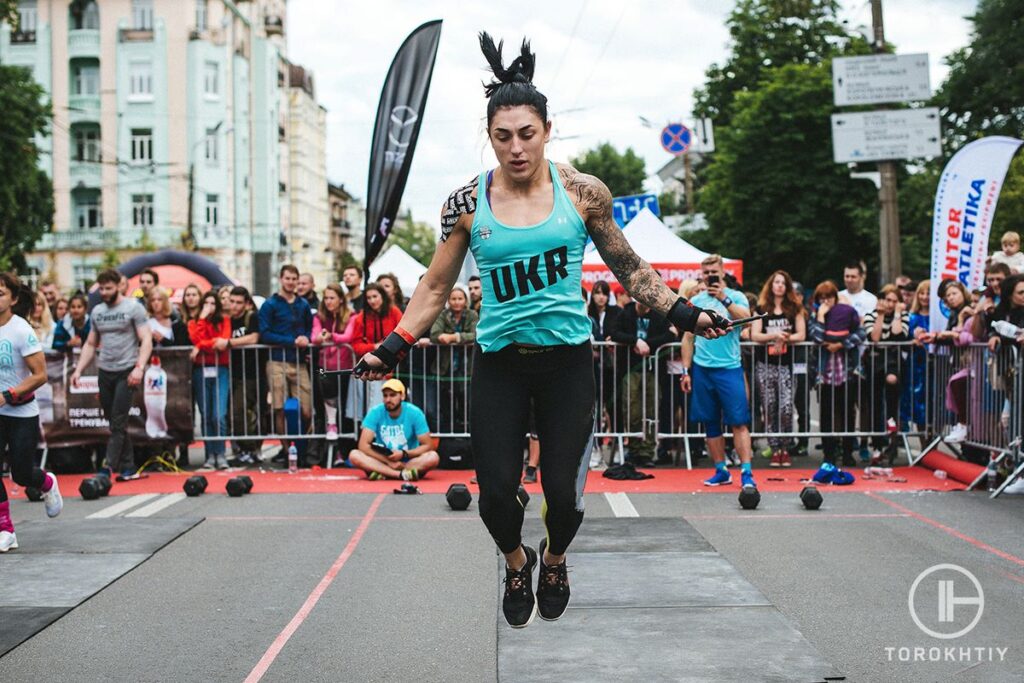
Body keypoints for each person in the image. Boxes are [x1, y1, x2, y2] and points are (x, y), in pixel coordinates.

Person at [351, 33, 725, 629]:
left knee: (567, 499)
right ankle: (516, 559)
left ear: (547, 129)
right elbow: (433, 287)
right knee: (496, 496)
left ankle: (554, 558)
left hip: (567, 364)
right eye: (503, 137)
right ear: (490, 136)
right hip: (500, 363)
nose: (516, 147)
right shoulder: (466, 204)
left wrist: (687, 314)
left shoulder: (582, 193)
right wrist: (391, 347)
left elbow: (630, 268)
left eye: (527, 134)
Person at [0, 273, 63, 552]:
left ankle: (47, 482)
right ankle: (6, 529)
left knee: (22, 475)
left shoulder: (20, 329)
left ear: (13, 299)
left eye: (0, 293)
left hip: (21, 410)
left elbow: (40, 375)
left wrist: (9, 394)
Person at [70, 269, 153, 480]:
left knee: (118, 420)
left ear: (119, 286)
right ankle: (129, 467)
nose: (105, 292)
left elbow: (146, 339)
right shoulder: (97, 311)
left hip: (127, 371)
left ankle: (107, 467)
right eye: (102, 289)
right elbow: (91, 343)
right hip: (105, 371)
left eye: (109, 288)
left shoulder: (133, 308)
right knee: (113, 421)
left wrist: (139, 367)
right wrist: (78, 370)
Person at [680, 255, 754, 484]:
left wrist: (724, 299)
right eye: (707, 272)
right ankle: (721, 470)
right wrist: (685, 370)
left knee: (739, 422)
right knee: (710, 421)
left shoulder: (736, 296)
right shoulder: (697, 300)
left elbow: (747, 320)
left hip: (729, 367)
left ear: (722, 271)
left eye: (714, 271)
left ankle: (746, 472)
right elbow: (687, 337)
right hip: (703, 368)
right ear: (702, 274)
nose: (710, 276)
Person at [751, 270, 806, 467]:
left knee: (785, 407)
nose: (780, 285)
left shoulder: (794, 308)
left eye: (783, 282)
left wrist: (785, 338)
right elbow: (755, 335)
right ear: (771, 285)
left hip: (786, 365)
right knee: (770, 406)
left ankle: (785, 445)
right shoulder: (761, 308)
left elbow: (801, 335)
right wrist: (773, 337)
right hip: (765, 364)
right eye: (777, 282)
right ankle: (774, 448)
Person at [611, 297, 675, 466]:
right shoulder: (626, 313)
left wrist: (647, 344)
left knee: (651, 411)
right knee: (632, 410)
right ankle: (634, 448)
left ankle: (647, 451)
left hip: (653, 370)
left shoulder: (659, 316)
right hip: (631, 369)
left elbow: (670, 335)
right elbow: (614, 332)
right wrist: (635, 341)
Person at [808, 280, 864, 473]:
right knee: (826, 414)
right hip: (824, 373)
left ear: (835, 296)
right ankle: (829, 454)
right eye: (821, 298)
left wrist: (842, 344)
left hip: (845, 370)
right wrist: (821, 317)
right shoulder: (816, 315)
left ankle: (848, 452)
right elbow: (816, 338)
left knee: (848, 412)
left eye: (828, 297)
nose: (825, 301)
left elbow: (861, 333)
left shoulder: (847, 312)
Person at [259, 265, 314, 458]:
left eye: (294, 279)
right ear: (281, 279)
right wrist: (291, 341)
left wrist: (306, 338)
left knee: (306, 410)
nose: (291, 282)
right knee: (279, 408)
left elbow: (309, 328)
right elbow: (264, 334)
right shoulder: (270, 304)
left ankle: (301, 447)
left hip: (299, 362)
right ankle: (285, 450)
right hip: (276, 361)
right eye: (288, 278)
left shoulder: (303, 305)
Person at [347, 378, 439, 481]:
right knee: (354, 455)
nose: (388, 400)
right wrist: (388, 462)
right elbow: (363, 446)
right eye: (385, 395)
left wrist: (404, 453)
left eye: (392, 395)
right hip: (383, 459)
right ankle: (400, 474)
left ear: (402, 396)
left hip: (408, 460)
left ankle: (383, 472)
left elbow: (428, 445)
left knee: (433, 457)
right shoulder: (375, 412)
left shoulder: (415, 412)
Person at [861, 284, 909, 464]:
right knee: (874, 403)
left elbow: (898, 335)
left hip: (894, 361)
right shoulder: (871, 315)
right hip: (875, 361)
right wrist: (880, 316)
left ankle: (892, 444)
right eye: (887, 300)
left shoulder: (903, 316)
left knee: (892, 402)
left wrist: (897, 313)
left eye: (894, 301)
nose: (890, 304)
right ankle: (876, 445)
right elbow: (874, 338)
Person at [188, 291, 232, 470]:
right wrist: (202, 320)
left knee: (218, 414)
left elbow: (221, 342)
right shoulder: (194, 322)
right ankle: (209, 455)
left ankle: (220, 454)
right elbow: (196, 338)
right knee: (205, 415)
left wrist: (200, 346)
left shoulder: (225, 320)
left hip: (221, 369)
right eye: (206, 303)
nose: (209, 307)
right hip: (201, 370)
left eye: (213, 303)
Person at [348, 283, 404, 420]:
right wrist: (374, 347)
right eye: (368, 298)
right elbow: (356, 345)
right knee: (368, 410)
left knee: (390, 407)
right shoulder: (361, 317)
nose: (372, 301)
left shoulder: (394, 312)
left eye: (375, 296)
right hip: (369, 370)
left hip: (391, 369)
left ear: (382, 297)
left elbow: (404, 336)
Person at [429, 284, 478, 433]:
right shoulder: (443, 315)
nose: (457, 302)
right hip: (446, 367)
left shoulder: (472, 315)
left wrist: (453, 337)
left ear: (465, 300)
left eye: (460, 299)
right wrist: (449, 338)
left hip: (467, 367)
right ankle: (449, 434)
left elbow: (475, 334)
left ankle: (467, 432)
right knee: (446, 402)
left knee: (466, 401)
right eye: (453, 299)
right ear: (448, 301)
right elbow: (435, 334)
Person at [312, 284, 356, 448]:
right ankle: (330, 430)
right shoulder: (319, 317)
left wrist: (332, 337)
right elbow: (314, 337)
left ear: (340, 299)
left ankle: (344, 448)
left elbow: (348, 336)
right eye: (326, 298)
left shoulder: (351, 316)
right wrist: (320, 337)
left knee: (345, 407)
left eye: (332, 298)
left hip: (345, 367)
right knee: (327, 401)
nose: (329, 301)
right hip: (325, 366)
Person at [226, 286, 264, 466]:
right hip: (229, 372)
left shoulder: (251, 318)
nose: (234, 306)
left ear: (246, 304)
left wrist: (228, 343)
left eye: (238, 302)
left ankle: (250, 448)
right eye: (231, 301)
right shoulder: (225, 320)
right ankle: (243, 449)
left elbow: (254, 338)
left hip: (249, 373)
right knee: (229, 414)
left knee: (239, 411)